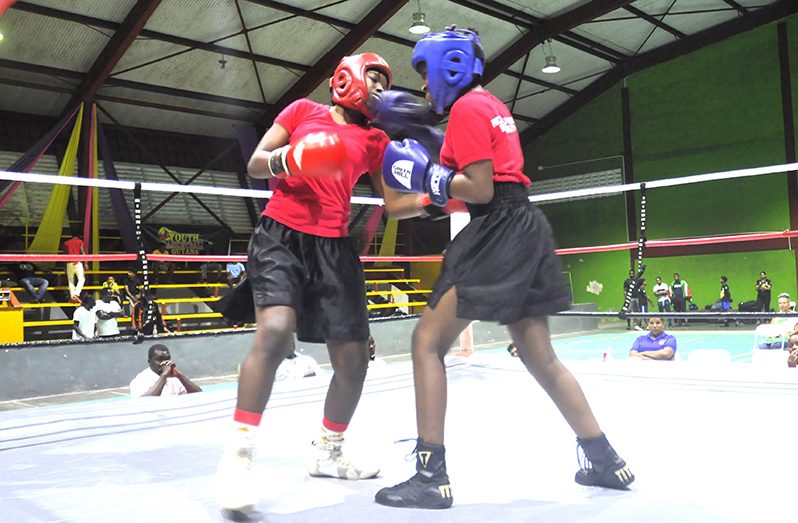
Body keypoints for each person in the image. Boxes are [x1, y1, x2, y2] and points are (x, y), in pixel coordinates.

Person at [374, 27, 633, 510]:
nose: (425, 87)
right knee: (540, 357)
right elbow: (452, 194)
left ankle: (430, 476)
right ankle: (604, 459)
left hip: (497, 228)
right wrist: (419, 187)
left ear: (449, 68)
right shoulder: (490, 106)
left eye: (427, 74)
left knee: (427, 343)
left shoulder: (469, 109)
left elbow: (480, 190)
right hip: (525, 225)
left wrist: (430, 175)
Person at [215, 52, 394, 514]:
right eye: (373, 78)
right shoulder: (301, 112)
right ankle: (238, 456)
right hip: (281, 235)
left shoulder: (375, 138)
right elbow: (255, 164)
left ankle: (327, 451)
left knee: (354, 362)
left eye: (383, 84)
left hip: (334, 248)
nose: (378, 89)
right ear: (347, 77)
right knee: (274, 333)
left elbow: (396, 203)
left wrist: (440, 186)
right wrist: (290, 158)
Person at [129, 344, 202, 397]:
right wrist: (163, 377)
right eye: (160, 359)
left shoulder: (175, 379)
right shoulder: (140, 380)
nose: (165, 363)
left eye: (167, 359)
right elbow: (145, 402)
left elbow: (198, 395)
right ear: (149, 361)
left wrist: (180, 376)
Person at [63, 234, 85, 303]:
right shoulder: (80, 242)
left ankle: (72, 297)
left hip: (69, 263)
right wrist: (86, 263)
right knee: (82, 279)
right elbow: (82, 252)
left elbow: (65, 254)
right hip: (77, 262)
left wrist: (64, 266)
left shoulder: (66, 243)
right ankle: (76, 294)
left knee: (70, 281)